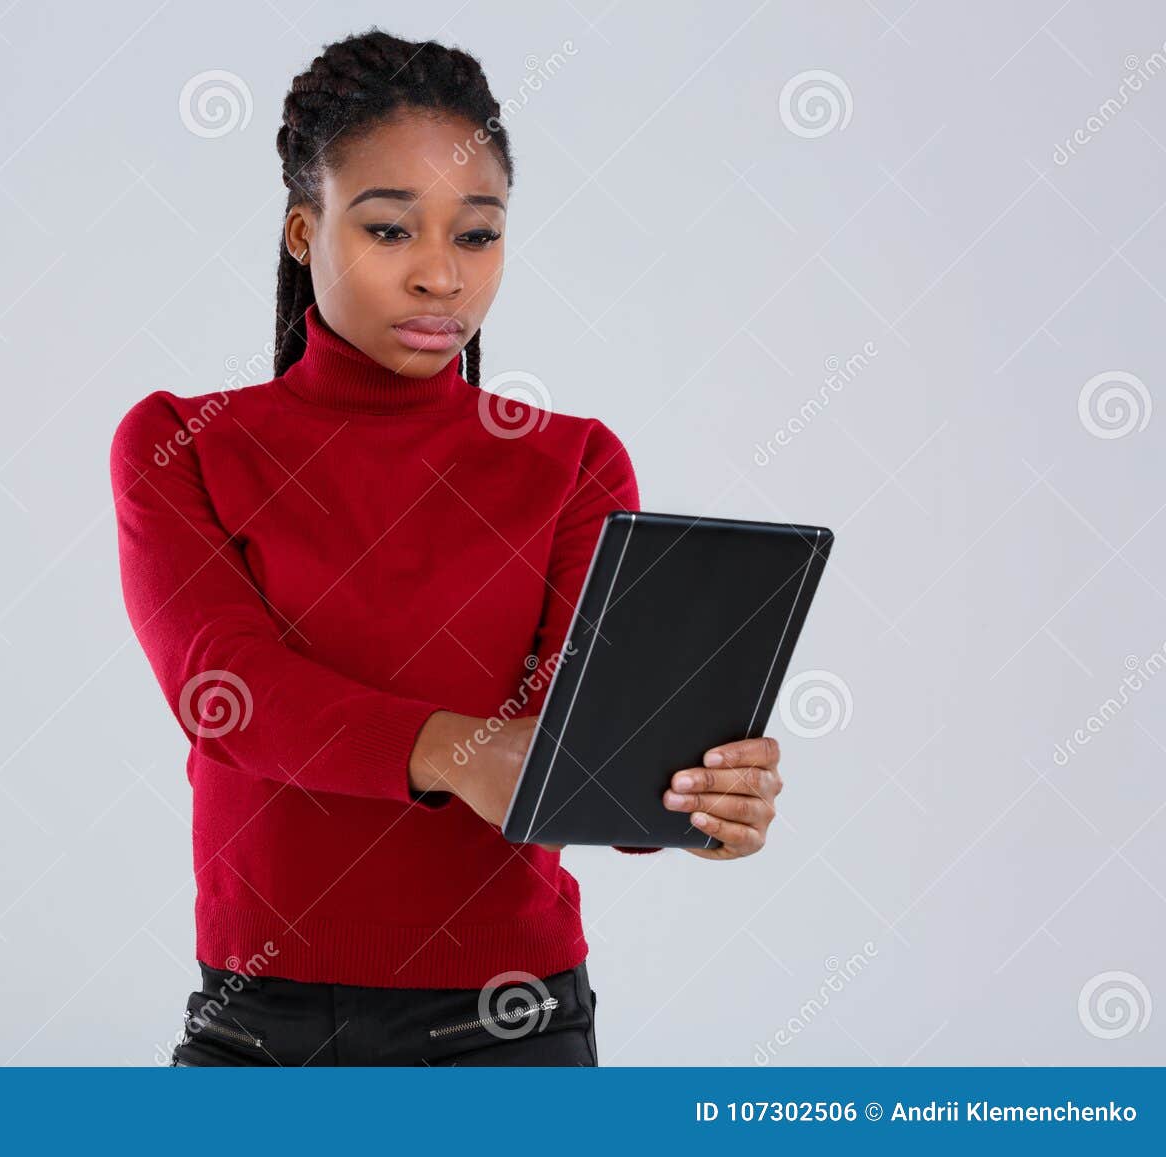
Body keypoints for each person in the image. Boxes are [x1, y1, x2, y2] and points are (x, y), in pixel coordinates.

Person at [110, 28, 784, 1067]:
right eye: (388, 231)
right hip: (260, 1022)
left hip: (509, 1025)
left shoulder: (572, 463)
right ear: (303, 230)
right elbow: (224, 685)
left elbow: (583, 737)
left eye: (476, 236)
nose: (439, 277)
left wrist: (691, 794)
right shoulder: (182, 441)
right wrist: (459, 751)